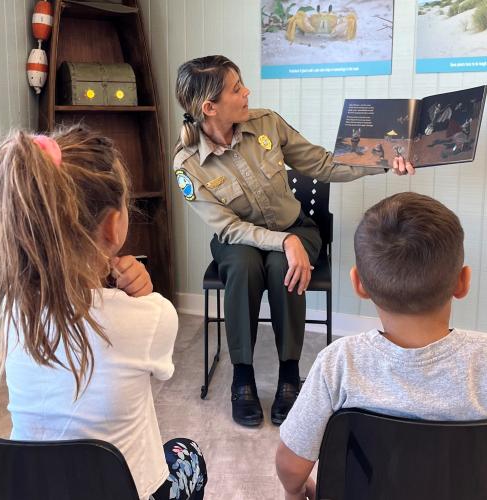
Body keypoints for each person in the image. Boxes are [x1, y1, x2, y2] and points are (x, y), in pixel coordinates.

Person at [0, 126, 206, 500]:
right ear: (112, 225)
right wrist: (142, 296)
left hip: (31, 490)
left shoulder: (13, 310)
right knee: (188, 455)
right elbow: (156, 368)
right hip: (126, 491)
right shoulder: (153, 316)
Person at [172, 55, 415, 427]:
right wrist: (282, 241)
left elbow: (322, 164)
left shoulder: (266, 122)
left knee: (283, 265)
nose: (246, 92)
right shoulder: (187, 164)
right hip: (238, 239)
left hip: (295, 228)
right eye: (236, 89)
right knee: (242, 264)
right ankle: (242, 375)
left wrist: (383, 160)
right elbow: (229, 227)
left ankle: (289, 373)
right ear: (209, 107)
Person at [275, 192, 487, 500]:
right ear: (463, 282)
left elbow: (291, 465)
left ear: (358, 284)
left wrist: (296, 491)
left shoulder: (338, 364)